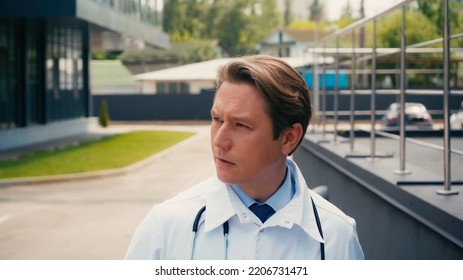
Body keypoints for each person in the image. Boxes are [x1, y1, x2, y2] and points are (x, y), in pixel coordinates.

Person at [125, 55, 364, 260]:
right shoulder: (165, 227)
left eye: (240, 125)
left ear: (289, 138)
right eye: (217, 120)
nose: (219, 141)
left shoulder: (337, 237)